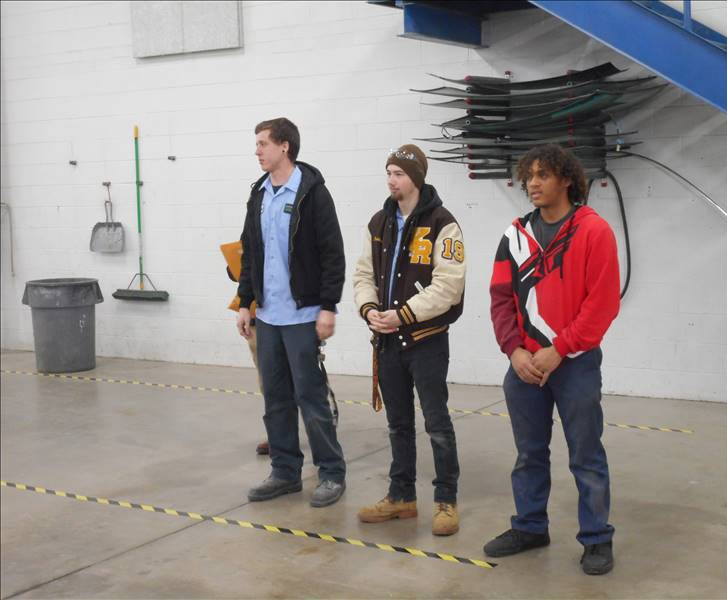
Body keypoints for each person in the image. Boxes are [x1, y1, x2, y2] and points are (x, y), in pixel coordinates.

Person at [484, 144, 620, 574]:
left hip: (575, 364)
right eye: (529, 176)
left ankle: (596, 538)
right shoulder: (514, 236)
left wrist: (560, 349)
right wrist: (514, 351)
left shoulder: (593, 231)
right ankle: (529, 527)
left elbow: (602, 304)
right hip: (524, 365)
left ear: (566, 180)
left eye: (543, 175)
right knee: (529, 454)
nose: (533, 183)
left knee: (586, 454)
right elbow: (500, 299)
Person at [353, 144, 466, 536]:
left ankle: (446, 500)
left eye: (398, 174)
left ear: (416, 178)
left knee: (437, 423)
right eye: (388, 173)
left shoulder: (443, 223)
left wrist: (404, 314)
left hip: (426, 341)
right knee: (398, 424)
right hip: (387, 342)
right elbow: (363, 274)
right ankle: (401, 496)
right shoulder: (378, 222)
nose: (391, 180)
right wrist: (369, 308)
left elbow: (449, 285)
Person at [237, 117, 346, 508]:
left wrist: (328, 306)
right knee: (276, 398)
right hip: (268, 316)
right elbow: (250, 251)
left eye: (263, 143)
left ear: (285, 146)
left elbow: (332, 253)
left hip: (302, 315)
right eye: (257, 144)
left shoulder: (312, 193)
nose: (257, 150)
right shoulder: (259, 194)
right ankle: (285, 472)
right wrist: (245, 302)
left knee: (310, 398)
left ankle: (331, 473)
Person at [224, 259, 269, 456]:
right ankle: (278, 434)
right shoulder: (252, 239)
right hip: (257, 315)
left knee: (299, 378)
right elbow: (237, 273)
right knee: (267, 379)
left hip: (290, 315)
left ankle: (318, 429)